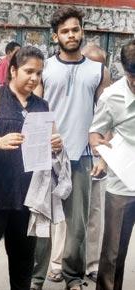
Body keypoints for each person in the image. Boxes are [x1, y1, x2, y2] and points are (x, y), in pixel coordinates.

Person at [0, 46, 62, 290]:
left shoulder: (42, 105)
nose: (34, 78)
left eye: (38, 73)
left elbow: (50, 143)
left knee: (23, 261)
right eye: (29, 71)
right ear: (14, 70)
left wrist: (56, 144)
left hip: (27, 198)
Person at [33, 6, 110, 290]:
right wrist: (38, 148)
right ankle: (36, 277)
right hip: (47, 155)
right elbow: (36, 110)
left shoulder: (98, 71)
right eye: (64, 31)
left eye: (75, 29)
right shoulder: (46, 68)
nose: (71, 35)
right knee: (41, 221)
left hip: (81, 156)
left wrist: (102, 154)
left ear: (82, 31)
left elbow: (106, 115)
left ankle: (73, 277)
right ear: (56, 37)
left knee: (77, 225)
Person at [89, 38, 135, 290]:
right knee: (113, 251)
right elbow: (95, 133)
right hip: (121, 185)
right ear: (126, 71)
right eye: (133, 77)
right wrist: (103, 151)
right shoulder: (111, 96)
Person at [81, 43, 108, 284]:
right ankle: (62, 263)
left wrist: (103, 157)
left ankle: (91, 263)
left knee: (95, 213)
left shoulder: (108, 97)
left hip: (97, 159)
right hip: (72, 158)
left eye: (102, 67)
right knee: (69, 215)